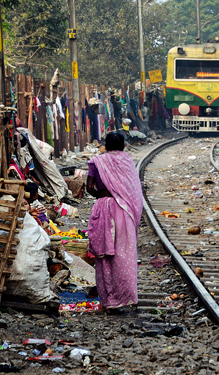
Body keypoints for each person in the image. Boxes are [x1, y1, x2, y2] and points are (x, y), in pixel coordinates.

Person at [86, 132, 143, 314]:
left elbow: (89, 187)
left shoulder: (97, 162)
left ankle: (109, 301)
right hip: (124, 211)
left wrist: (102, 197)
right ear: (123, 145)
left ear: (106, 145)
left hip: (104, 210)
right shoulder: (127, 161)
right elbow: (134, 190)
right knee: (124, 254)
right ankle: (125, 297)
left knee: (104, 256)